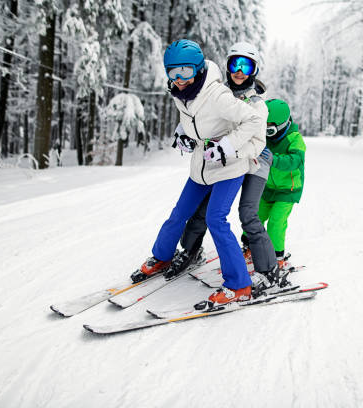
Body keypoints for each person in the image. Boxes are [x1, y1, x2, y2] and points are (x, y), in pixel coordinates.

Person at [130, 39, 266, 305]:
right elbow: (198, 122)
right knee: (179, 213)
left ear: (198, 69)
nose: (179, 79)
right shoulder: (184, 91)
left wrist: (226, 146)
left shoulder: (216, 94)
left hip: (229, 167)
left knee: (216, 220)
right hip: (201, 167)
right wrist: (184, 134)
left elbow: (254, 120)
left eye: (185, 72)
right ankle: (162, 256)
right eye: (173, 72)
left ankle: (239, 285)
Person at [164, 42, 288, 297]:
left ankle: (268, 269)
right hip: (223, 159)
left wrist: (230, 151)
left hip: (254, 159)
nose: (239, 71)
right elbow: (198, 120)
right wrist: (183, 134)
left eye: (246, 65)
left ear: (254, 70)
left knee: (248, 214)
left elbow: (258, 143)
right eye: (235, 64)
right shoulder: (216, 92)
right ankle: (190, 251)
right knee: (201, 210)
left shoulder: (257, 105)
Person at [258, 99, 306, 268]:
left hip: (288, 190)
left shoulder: (295, 138)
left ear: (283, 124)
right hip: (268, 187)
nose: (267, 133)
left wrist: (274, 159)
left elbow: (296, 160)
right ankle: (249, 247)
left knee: (276, 221)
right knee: (255, 215)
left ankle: (277, 257)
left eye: (270, 129)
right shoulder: (264, 136)